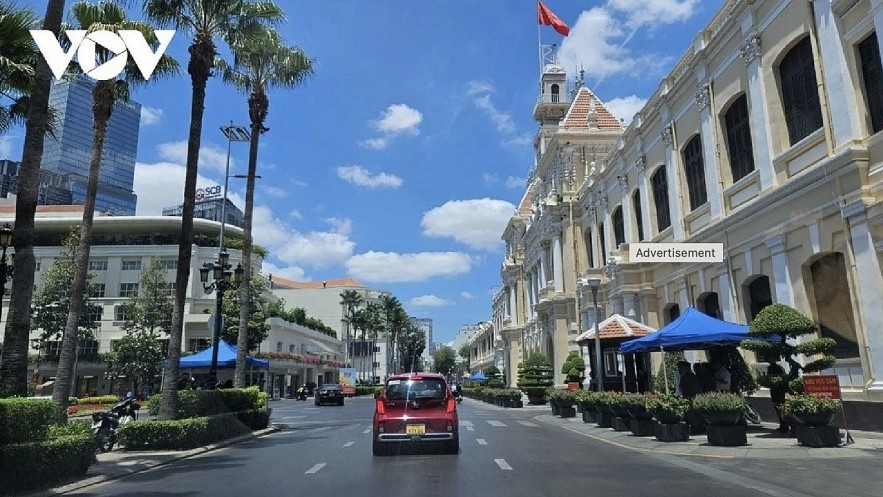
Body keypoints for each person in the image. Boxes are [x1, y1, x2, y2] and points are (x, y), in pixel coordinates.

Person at [767, 360, 789, 433]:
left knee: (779, 408)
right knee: (779, 408)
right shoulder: (779, 367)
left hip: (777, 391)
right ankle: (783, 425)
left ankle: (784, 425)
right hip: (778, 391)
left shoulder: (773, 368)